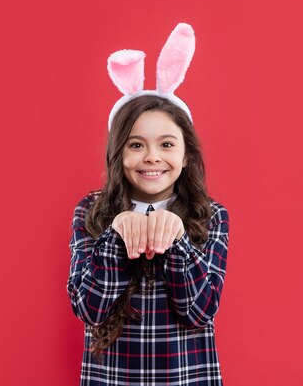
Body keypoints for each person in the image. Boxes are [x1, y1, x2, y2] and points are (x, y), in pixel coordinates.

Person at [67, 22, 230, 386]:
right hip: (111, 378)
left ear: (186, 155)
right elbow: (90, 309)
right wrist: (115, 237)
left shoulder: (210, 215)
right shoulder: (91, 212)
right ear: (118, 152)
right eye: (136, 144)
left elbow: (199, 311)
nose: (152, 157)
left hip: (187, 378)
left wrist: (178, 243)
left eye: (167, 144)